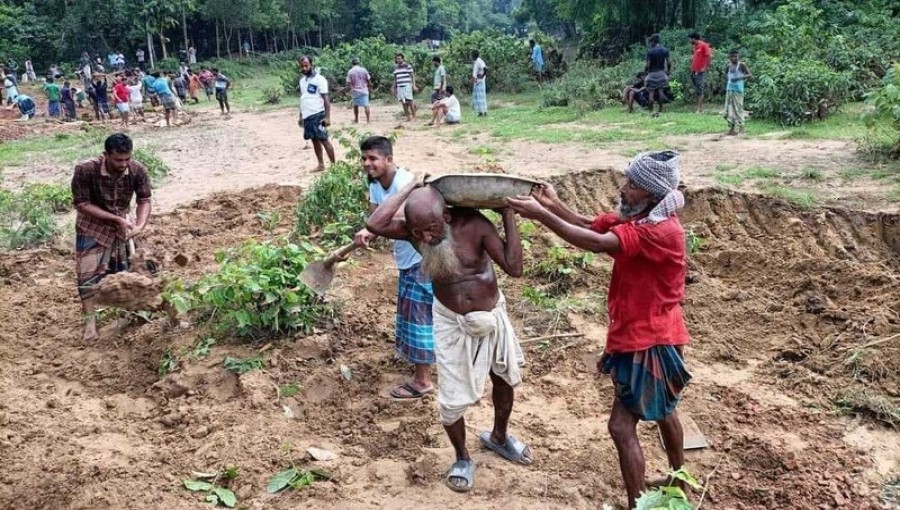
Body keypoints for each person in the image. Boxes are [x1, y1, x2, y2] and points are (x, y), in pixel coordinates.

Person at [507, 151, 691, 510]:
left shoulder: (658, 231)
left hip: (647, 339)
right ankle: (677, 479)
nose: (623, 188)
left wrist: (542, 216)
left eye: (633, 185)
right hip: (659, 333)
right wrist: (556, 204)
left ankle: (639, 503)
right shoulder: (645, 218)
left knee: (622, 427)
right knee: (666, 408)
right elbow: (594, 225)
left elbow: (596, 242)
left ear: (652, 193)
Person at [365, 176, 528, 494]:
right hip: (451, 322)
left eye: (432, 228)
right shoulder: (415, 234)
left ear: (448, 217)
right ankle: (463, 458)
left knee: (504, 379)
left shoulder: (474, 225)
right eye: (418, 231)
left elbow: (514, 267)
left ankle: (499, 436)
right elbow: (375, 223)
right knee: (451, 401)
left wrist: (508, 213)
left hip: (491, 316)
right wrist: (410, 187)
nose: (426, 236)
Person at [353, 136, 436, 400]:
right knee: (422, 316)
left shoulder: (405, 184)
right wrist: (366, 232)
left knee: (418, 318)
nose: (367, 163)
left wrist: (373, 227)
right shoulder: (378, 184)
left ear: (389, 159)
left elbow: (396, 220)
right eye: (364, 158)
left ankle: (422, 381)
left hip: (421, 259)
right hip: (407, 260)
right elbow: (376, 218)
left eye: (373, 158)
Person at [71, 133, 152, 342]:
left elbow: (144, 199)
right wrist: (114, 219)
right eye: (118, 160)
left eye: (127, 159)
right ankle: (90, 322)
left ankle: (129, 313)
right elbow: (81, 204)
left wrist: (140, 224)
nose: (124, 164)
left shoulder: (136, 169)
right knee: (87, 276)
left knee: (124, 271)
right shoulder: (86, 170)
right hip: (92, 226)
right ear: (105, 155)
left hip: (122, 227)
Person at [297, 55, 335, 172]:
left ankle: (334, 167)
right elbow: (304, 98)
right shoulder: (302, 80)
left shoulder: (320, 80)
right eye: (302, 66)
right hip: (307, 115)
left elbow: (326, 100)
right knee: (314, 140)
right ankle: (321, 164)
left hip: (318, 114)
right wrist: (301, 116)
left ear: (311, 65)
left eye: (306, 65)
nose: (304, 68)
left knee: (324, 140)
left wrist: (327, 117)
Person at [724, 49, 751, 136]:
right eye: (732, 56)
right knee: (729, 109)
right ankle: (732, 129)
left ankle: (742, 129)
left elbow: (749, 74)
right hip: (729, 90)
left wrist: (739, 78)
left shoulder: (742, 65)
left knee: (738, 109)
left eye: (735, 56)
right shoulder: (728, 66)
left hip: (738, 90)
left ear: (738, 56)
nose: (734, 58)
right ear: (729, 57)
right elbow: (727, 76)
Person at [644, 34, 671, 117]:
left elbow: (647, 65)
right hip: (661, 73)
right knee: (661, 91)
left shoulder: (650, 51)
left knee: (651, 93)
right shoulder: (665, 50)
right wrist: (668, 71)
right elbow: (669, 62)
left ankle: (651, 110)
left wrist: (645, 72)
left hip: (652, 74)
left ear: (652, 42)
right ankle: (660, 109)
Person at [688, 32, 712, 113]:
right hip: (694, 71)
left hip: (700, 71)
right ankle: (698, 108)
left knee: (699, 90)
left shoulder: (704, 45)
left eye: (690, 39)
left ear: (694, 38)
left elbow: (708, 56)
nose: (689, 40)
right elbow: (693, 57)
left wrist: (705, 67)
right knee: (696, 89)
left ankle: (699, 109)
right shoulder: (694, 46)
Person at [392, 53, 417, 122]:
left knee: (410, 101)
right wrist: (393, 87)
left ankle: (414, 117)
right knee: (403, 102)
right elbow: (395, 78)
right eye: (397, 58)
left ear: (403, 58)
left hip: (407, 85)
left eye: (400, 58)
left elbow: (412, 76)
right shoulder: (396, 67)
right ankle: (408, 117)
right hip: (399, 86)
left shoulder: (407, 66)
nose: (398, 60)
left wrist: (413, 85)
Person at [346, 57, 372, 123]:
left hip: (355, 90)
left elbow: (348, 82)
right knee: (366, 105)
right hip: (364, 89)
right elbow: (369, 80)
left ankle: (356, 119)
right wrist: (369, 87)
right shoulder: (364, 70)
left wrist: (351, 89)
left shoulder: (350, 71)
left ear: (352, 63)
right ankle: (368, 120)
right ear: (359, 62)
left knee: (355, 105)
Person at [471, 50, 488, 116]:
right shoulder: (476, 62)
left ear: (473, 55)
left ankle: (484, 112)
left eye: (471, 55)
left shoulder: (479, 61)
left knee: (481, 97)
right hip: (477, 82)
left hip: (480, 82)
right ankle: (480, 112)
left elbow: (486, 68)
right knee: (477, 98)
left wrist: (482, 75)